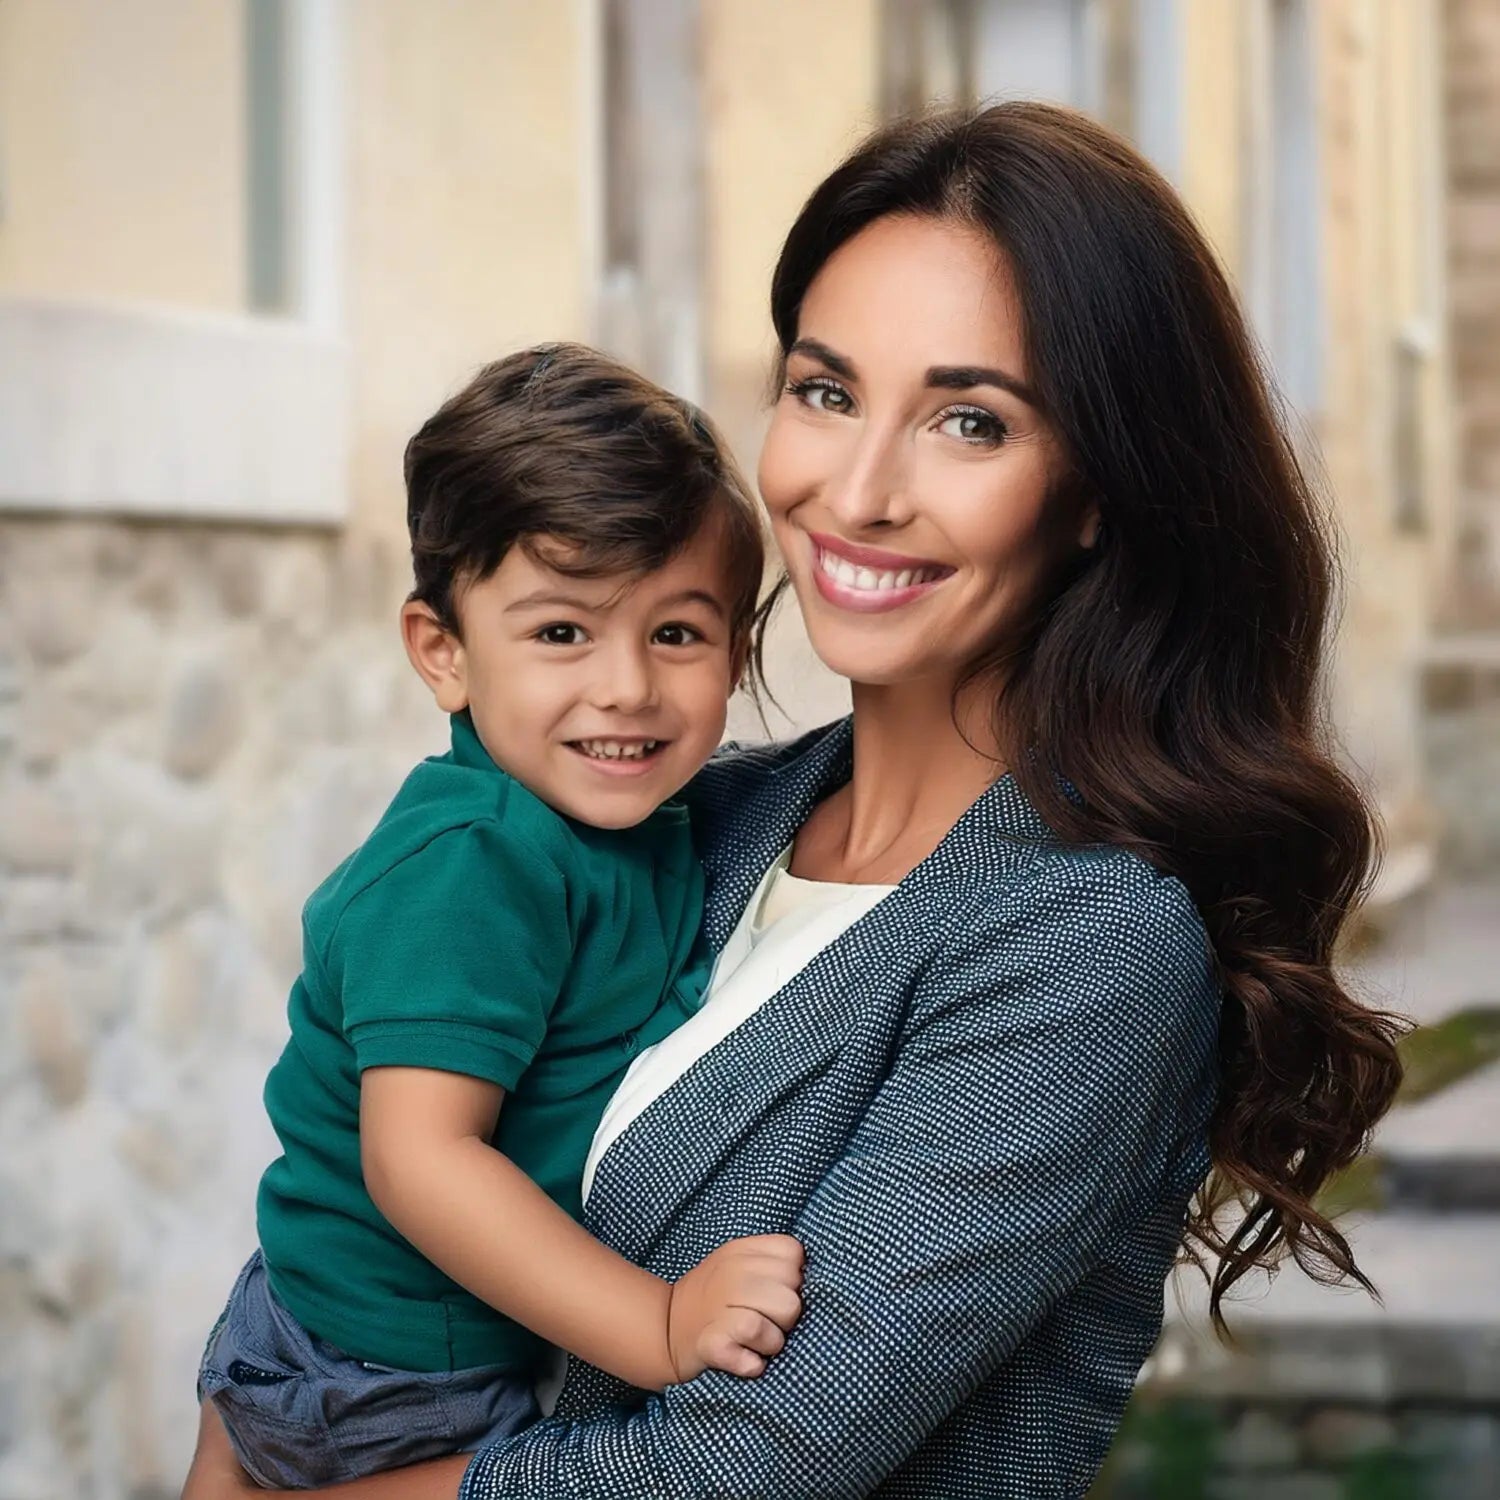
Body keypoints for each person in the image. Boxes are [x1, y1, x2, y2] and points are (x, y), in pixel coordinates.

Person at [184, 102, 1404, 1500]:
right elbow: (381, 1176)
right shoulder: (691, 818)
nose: (858, 492)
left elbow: (746, 1467)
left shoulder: (1084, 940)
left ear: (1094, 495)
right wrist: (244, 1423)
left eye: (968, 420)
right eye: (825, 391)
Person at [191, 343, 806, 1489]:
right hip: (371, 1372)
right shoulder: (473, 863)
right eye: (562, 632)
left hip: (433, 1347)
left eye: (676, 632)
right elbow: (420, 1159)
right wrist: (659, 1325)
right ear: (445, 653)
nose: (626, 686)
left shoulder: (644, 822)